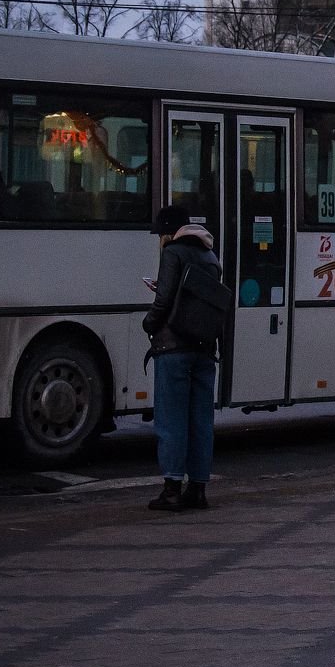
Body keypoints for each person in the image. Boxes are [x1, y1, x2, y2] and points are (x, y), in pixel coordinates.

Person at [142, 203, 222, 512]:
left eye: (160, 234)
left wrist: (148, 323)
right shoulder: (210, 256)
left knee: (171, 420)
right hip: (204, 349)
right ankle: (198, 490)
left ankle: (172, 489)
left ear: (168, 233)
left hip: (174, 348)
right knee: (201, 420)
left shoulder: (172, 253)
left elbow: (164, 301)